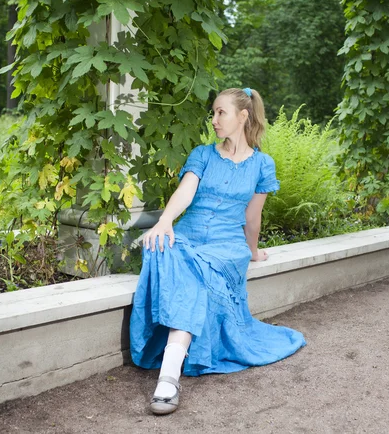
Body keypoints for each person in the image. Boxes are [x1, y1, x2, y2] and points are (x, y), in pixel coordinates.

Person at [129, 87, 306, 415]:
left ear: (242, 116)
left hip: (227, 246)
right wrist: (166, 220)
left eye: (220, 113)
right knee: (164, 247)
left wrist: (252, 252)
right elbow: (186, 191)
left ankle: (169, 374)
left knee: (198, 268)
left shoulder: (262, 165)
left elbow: (253, 218)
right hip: (189, 235)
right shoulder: (202, 154)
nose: (213, 120)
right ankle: (171, 372)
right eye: (213, 113)